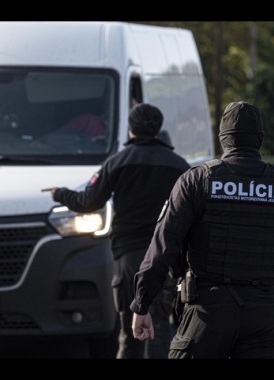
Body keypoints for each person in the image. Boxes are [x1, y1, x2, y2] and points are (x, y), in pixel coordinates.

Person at [130, 101, 274, 359]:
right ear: (259, 139)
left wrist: (141, 304)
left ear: (223, 138)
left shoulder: (196, 181)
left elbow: (163, 247)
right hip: (264, 314)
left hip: (207, 313)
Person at [43, 103, 190, 358]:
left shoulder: (118, 162)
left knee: (131, 329)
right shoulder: (180, 166)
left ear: (131, 129)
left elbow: (88, 201)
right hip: (167, 256)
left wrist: (60, 193)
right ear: (157, 129)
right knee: (160, 323)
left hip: (128, 257)